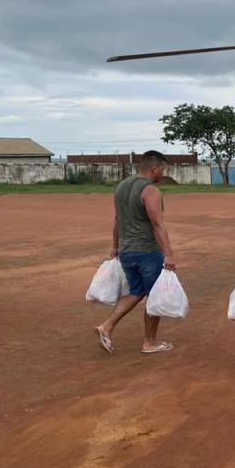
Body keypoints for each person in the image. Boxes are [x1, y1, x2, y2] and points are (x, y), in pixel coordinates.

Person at [94, 150, 178, 354]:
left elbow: (117, 219)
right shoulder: (150, 191)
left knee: (136, 291)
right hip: (147, 252)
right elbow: (157, 225)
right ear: (154, 168)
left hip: (126, 252)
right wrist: (168, 254)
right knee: (154, 296)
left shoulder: (121, 187)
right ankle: (150, 342)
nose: (163, 174)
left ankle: (106, 327)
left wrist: (115, 246)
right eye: (163, 169)